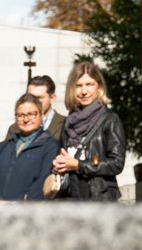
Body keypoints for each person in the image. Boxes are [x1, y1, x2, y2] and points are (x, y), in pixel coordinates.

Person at [51, 61, 126, 201]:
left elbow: (116, 163)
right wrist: (58, 164)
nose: (84, 91)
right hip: (70, 196)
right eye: (78, 85)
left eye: (89, 84)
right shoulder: (69, 122)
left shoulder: (110, 119)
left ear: (99, 86)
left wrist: (79, 165)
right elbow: (62, 156)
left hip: (98, 197)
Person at [0, 94, 61, 200]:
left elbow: (42, 185)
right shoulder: (5, 146)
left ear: (41, 114)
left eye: (31, 114)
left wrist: (18, 204)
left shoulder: (50, 146)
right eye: (20, 115)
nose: (26, 119)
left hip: (29, 212)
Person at [5, 75, 65, 143]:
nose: (34, 102)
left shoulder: (65, 124)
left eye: (39, 98)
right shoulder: (14, 128)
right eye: (31, 97)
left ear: (52, 98)